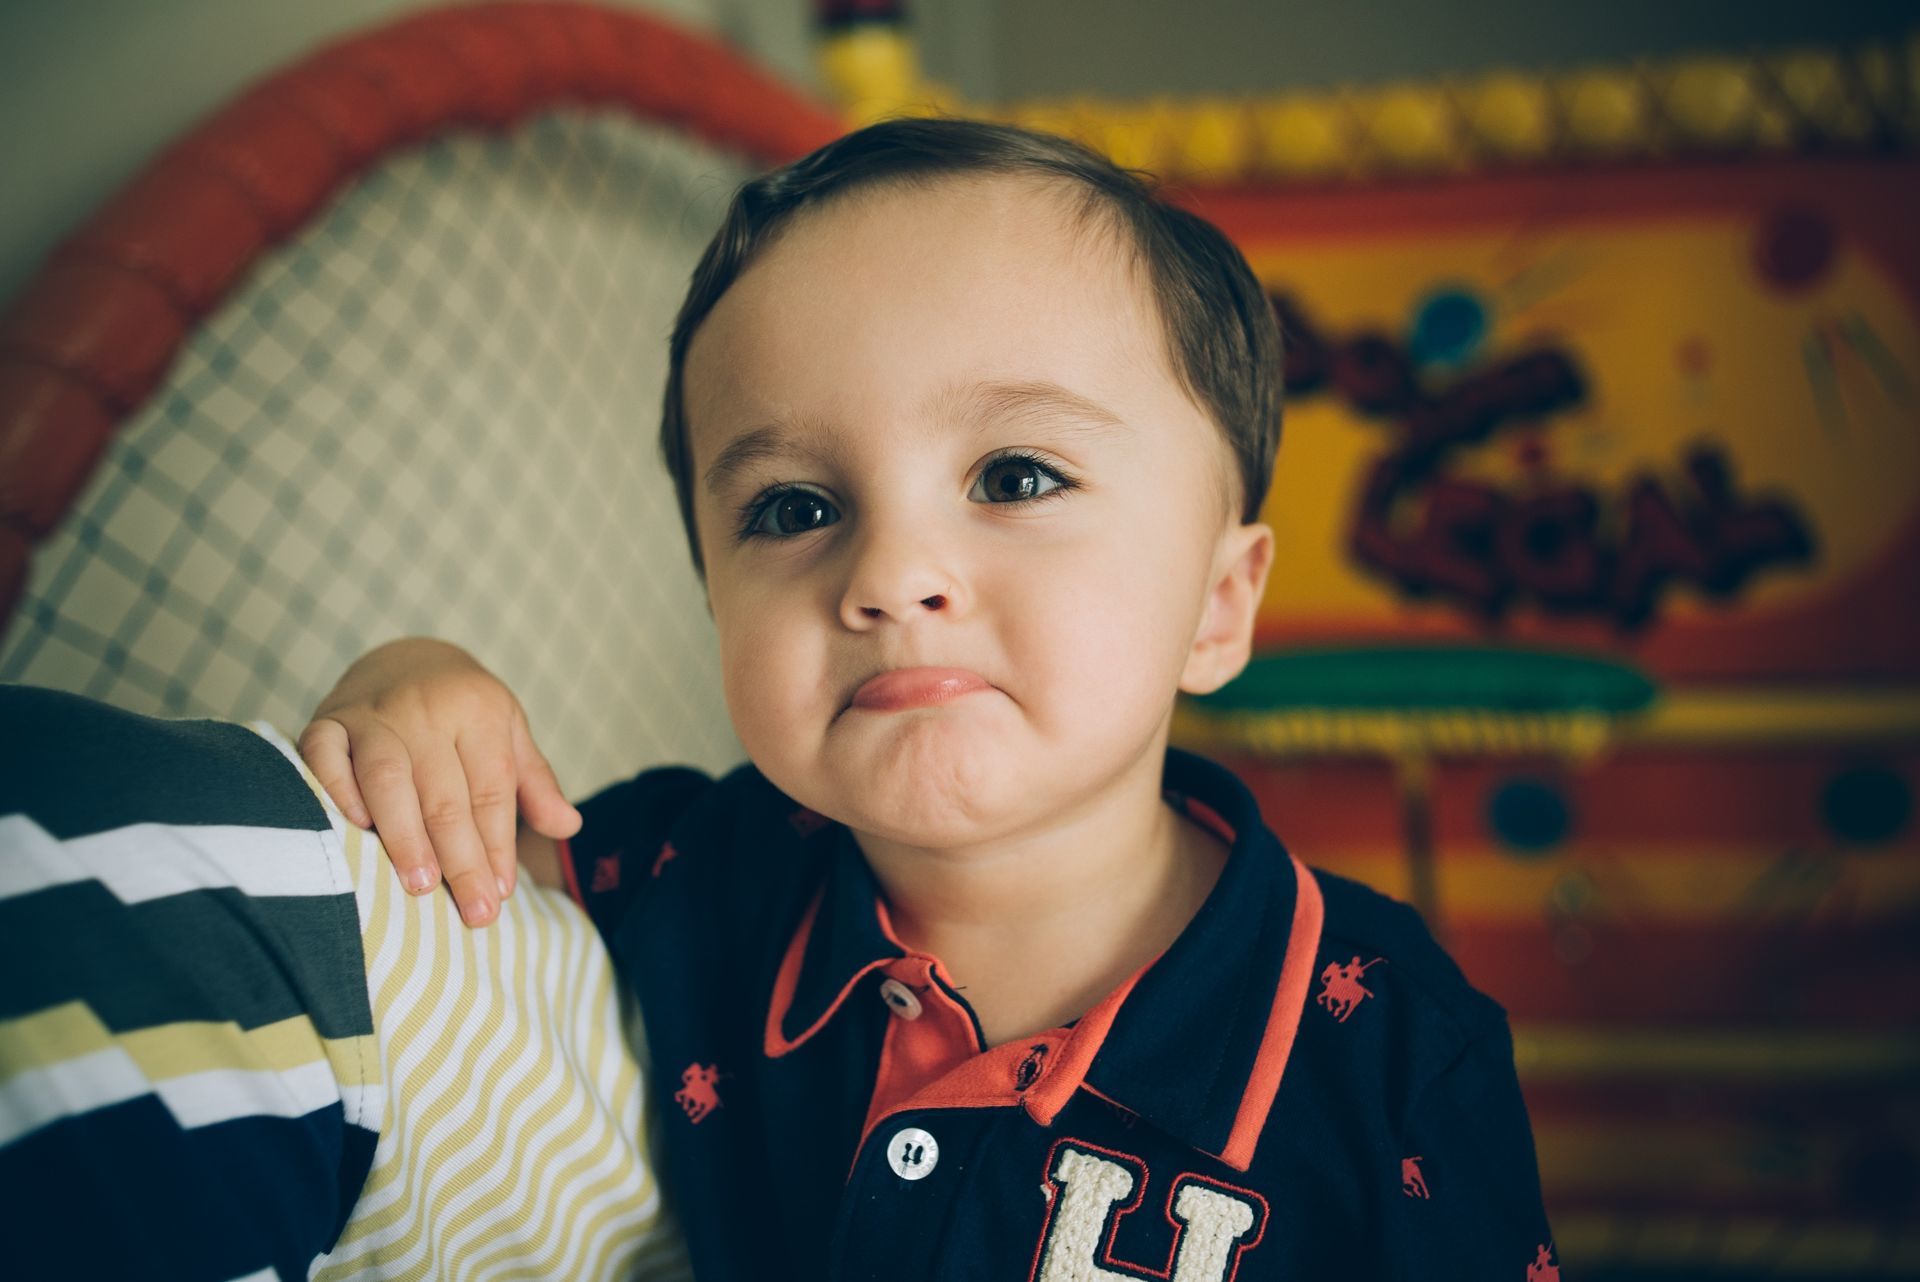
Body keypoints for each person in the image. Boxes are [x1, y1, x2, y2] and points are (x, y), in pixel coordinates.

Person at [298, 117, 1559, 1280]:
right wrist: (413, 686)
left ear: (1219, 605)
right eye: (794, 509)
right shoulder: (702, 875)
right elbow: (439, 884)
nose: (891, 576)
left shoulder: (1393, 1047)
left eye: (1015, 475)